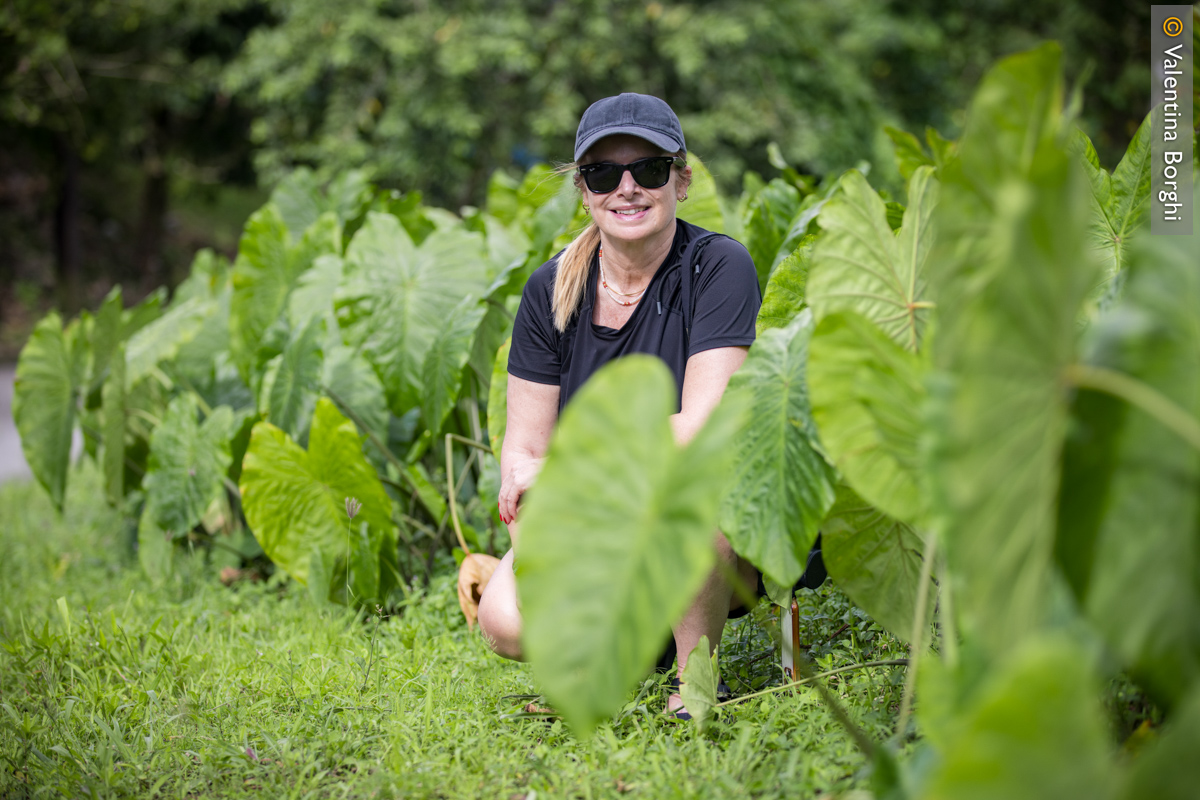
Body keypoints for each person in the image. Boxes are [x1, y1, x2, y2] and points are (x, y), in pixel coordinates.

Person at [476, 93, 762, 718]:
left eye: (649, 170)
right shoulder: (551, 289)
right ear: (584, 191)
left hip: (703, 504)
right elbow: (523, 456)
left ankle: (694, 682)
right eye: (604, 174)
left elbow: (701, 428)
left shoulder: (717, 267)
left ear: (681, 180)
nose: (627, 188)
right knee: (505, 623)